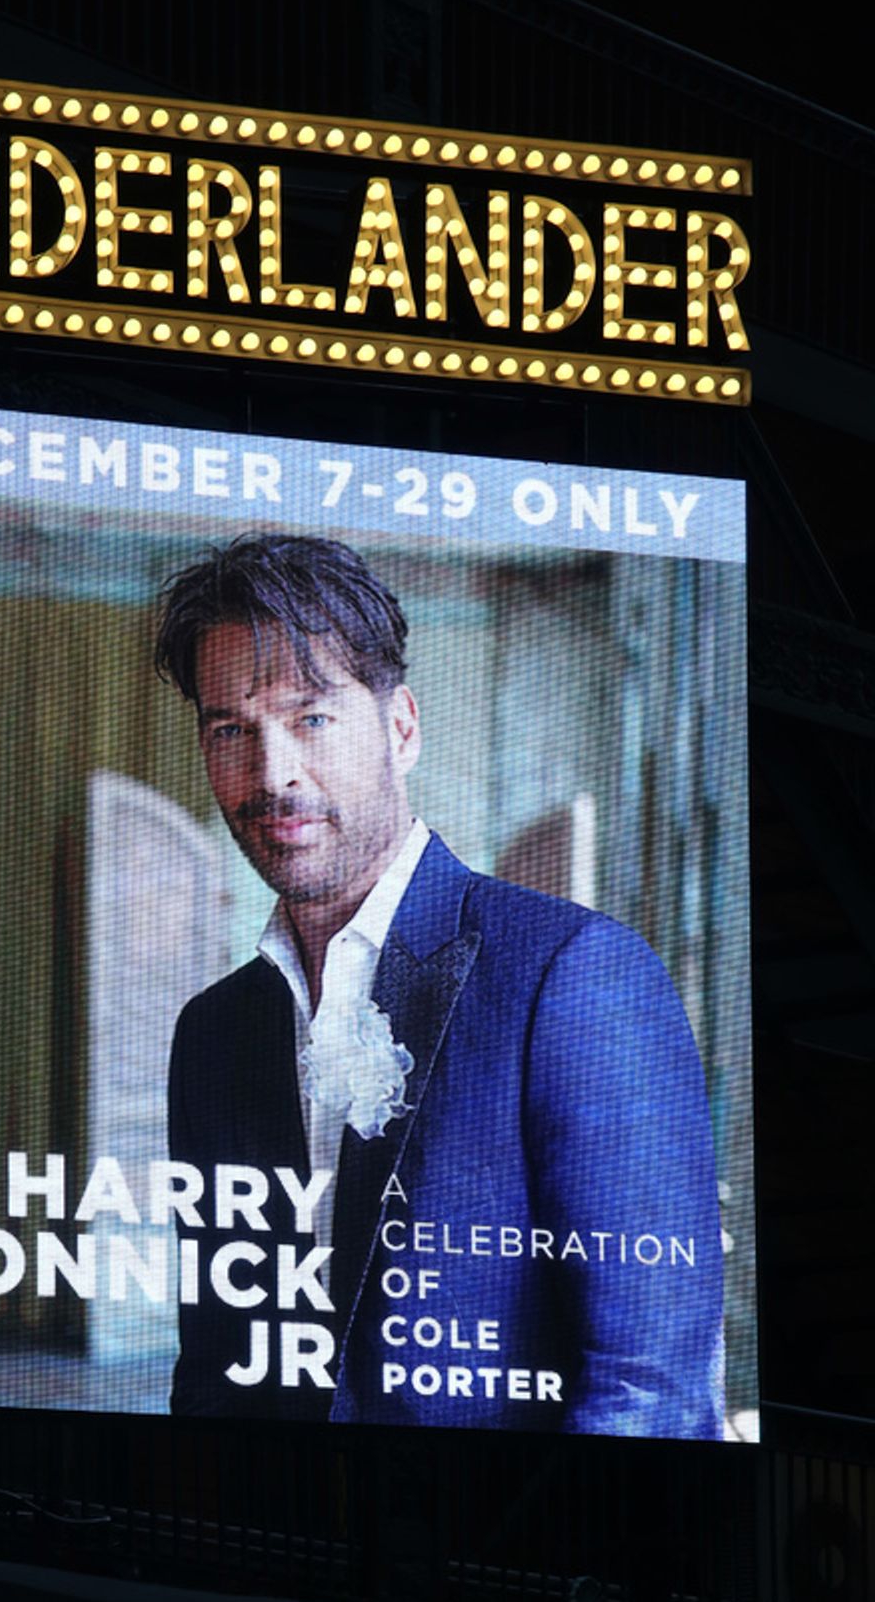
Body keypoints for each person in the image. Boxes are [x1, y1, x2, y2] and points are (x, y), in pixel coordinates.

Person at [154, 534, 723, 1437]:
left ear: (402, 727)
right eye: (231, 730)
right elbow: (218, 1366)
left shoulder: (573, 973)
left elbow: (649, 1388)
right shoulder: (214, 1031)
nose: (272, 774)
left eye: (311, 718)